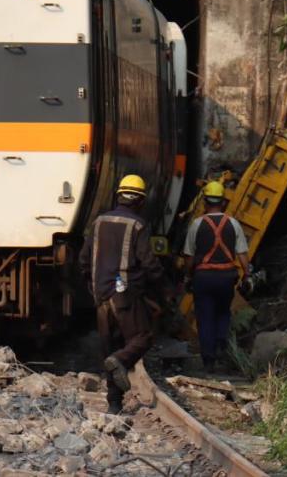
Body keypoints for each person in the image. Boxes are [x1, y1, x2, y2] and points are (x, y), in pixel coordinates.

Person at [80, 174, 168, 415]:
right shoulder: (138, 225)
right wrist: (162, 284)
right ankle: (121, 361)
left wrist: (93, 285)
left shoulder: (98, 222)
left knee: (109, 348)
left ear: (118, 196)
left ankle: (114, 404)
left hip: (101, 297)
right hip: (125, 296)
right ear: (140, 201)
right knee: (143, 337)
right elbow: (148, 262)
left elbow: (84, 260)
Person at [182, 181, 250, 373]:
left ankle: (209, 361)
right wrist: (246, 275)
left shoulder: (197, 224)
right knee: (223, 312)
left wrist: (188, 276)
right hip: (226, 277)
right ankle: (221, 344)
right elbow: (243, 254)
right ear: (223, 202)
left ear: (204, 202)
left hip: (203, 278)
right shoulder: (233, 223)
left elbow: (188, 256)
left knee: (205, 317)